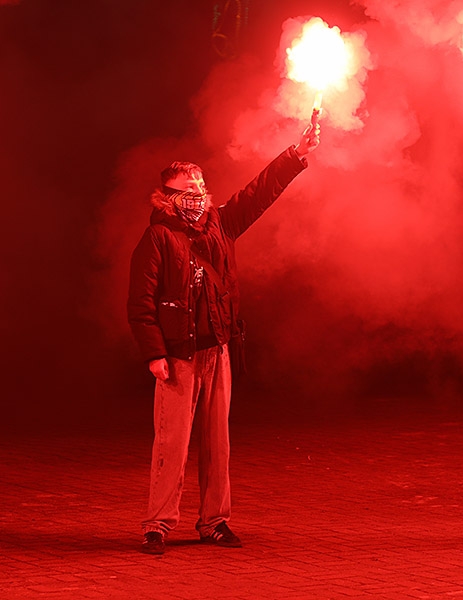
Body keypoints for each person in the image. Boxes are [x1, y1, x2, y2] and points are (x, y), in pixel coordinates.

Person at [127, 122, 320, 554]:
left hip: (217, 348)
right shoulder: (158, 238)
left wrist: (296, 154)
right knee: (172, 443)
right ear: (168, 196)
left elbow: (257, 193)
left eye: (199, 186)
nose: (195, 195)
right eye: (186, 189)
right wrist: (154, 354)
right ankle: (157, 524)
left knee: (218, 442)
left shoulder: (220, 224)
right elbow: (140, 302)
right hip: (178, 355)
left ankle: (214, 521)